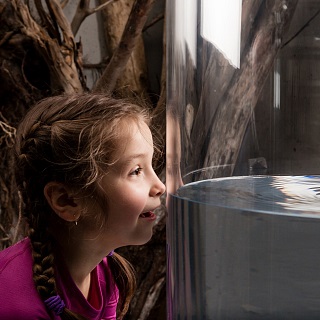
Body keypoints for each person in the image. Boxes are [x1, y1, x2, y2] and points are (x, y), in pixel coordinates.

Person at [0, 93, 165, 320]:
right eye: (136, 170)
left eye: (151, 165)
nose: (160, 186)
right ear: (66, 201)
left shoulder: (105, 273)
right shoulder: (17, 308)